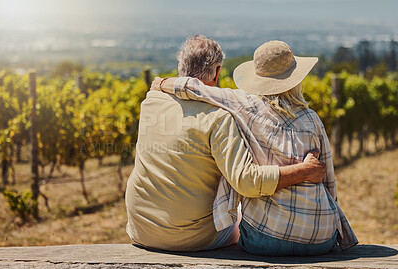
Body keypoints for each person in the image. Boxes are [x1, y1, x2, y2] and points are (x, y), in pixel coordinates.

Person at [153, 40, 358, 255]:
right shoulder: (312, 119)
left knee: (241, 206)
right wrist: (336, 226)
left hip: (264, 240)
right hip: (321, 238)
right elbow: (328, 180)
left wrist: (161, 83)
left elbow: (196, 89)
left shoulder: (243, 105)